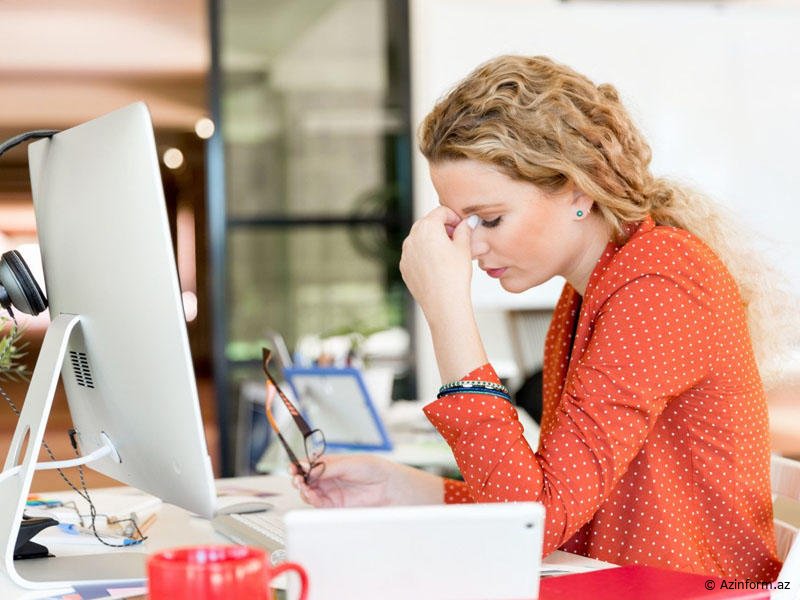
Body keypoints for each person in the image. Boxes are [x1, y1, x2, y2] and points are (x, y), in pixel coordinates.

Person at [292, 55, 785, 580]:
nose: (471, 246)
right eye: (463, 223)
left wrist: (447, 311)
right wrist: (404, 488)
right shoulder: (590, 291)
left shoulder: (660, 282)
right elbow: (547, 503)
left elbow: (535, 523)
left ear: (579, 190)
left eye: (490, 219)